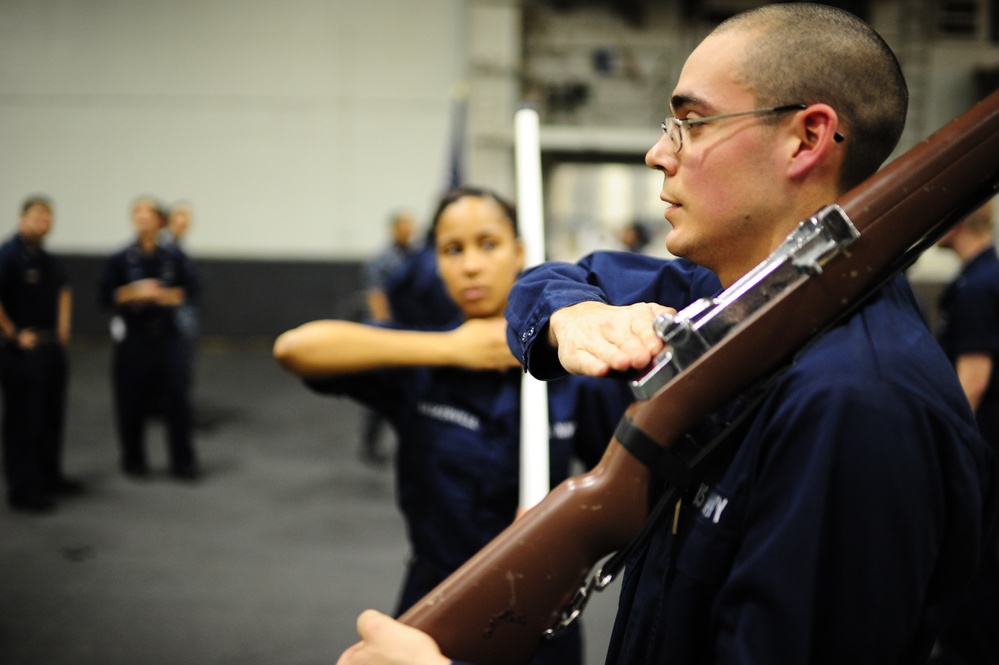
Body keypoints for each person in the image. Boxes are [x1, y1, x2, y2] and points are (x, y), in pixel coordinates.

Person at [335, 5, 998, 665]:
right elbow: (553, 278)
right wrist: (575, 316)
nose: (658, 154)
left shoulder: (858, 406)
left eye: (689, 122)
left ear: (805, 138)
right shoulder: (731, 297)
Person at [275, 186, 633, 665]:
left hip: (539, 608)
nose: (470, 265)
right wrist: (454, 349)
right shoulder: (423, 360)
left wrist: (559, 533)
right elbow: (295, 349)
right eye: (452, 249)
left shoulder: (569, 371)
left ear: (520, 253)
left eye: (488, 244)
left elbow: (622, 493)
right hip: (436, 602)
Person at [931, 196, 999, 665]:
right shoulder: (981, 277)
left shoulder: (978, 286)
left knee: (978, 572)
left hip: (984, 455)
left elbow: (971, 385)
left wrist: (939, 458)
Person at [98, 196, 200, 480]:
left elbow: (191, 291)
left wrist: (163, 295)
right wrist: (134, 292)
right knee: (131, 402)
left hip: (168, 338)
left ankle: (183, 462)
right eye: (137, 215)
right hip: (134, 340)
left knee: (178, 401)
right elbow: (106, 296)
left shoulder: (173, 257)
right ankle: (134, 461)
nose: (142, 220)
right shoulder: (120, 258)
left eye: (148, 215)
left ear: (159, 221)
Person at [0, 196, 78, 513]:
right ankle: (23, 490)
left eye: (48, 218)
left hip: (49, 348)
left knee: (50, 417)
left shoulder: (45, 257)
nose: (43, 223)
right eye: (37, 217)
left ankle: (49, 477)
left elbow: (64, 288)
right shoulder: (9, 255)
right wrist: (13, 333)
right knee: (24, 422)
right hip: (22, 352)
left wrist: (63, 325)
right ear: (22, 219)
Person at [357, 210, 417, 463]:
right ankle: (369, 443)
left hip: (411, 333)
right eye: (404, 227)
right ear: (393, 229)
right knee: (380, 392)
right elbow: (376, 297)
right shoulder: (382, 260)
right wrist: (387, 331)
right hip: (389, 334)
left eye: (411, 227)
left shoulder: (415, 257)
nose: (408, 231)